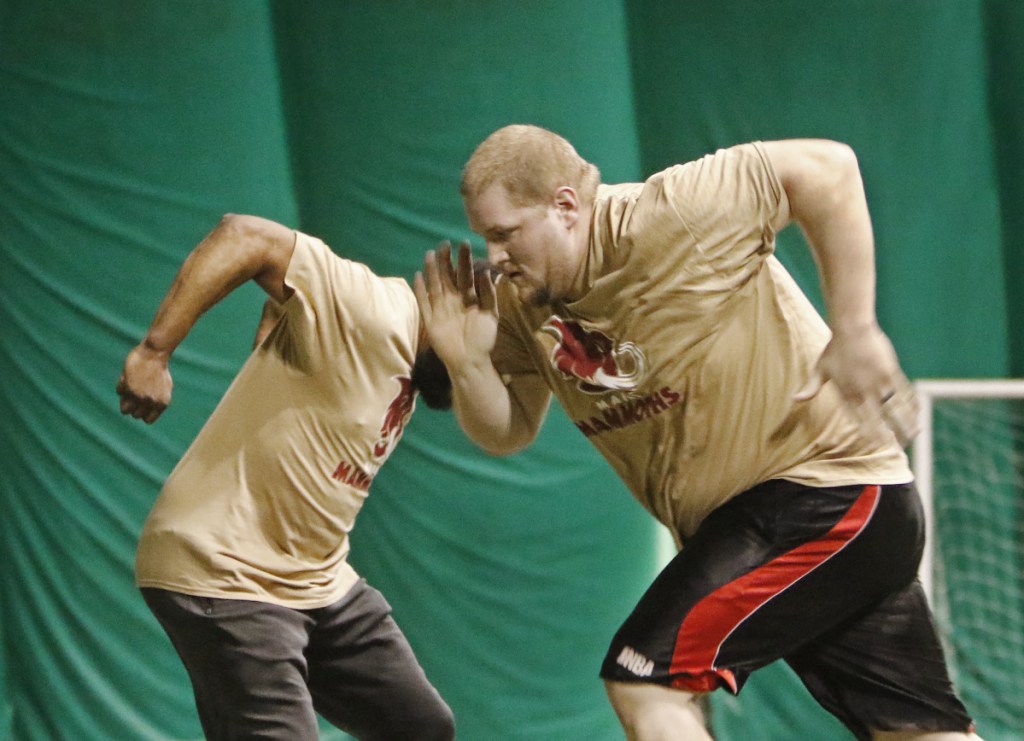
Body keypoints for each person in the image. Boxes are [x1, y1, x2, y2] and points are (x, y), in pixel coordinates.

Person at [415, 124, 979, 740]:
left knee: (644, 679)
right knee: (918, 731)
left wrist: (856, 329)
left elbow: (828, 168)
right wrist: (468, 363)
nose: (493, 255)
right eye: (484, 238)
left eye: (504, 234)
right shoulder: (525, 304)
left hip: (821, 494)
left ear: (565, 206)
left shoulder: (672, 213)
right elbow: (509, 431)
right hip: (793, 527)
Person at [117, 214, 455, 741]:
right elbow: (246, 235)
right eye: (494, 358)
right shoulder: (377, 310)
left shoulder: (407, 362)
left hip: (316, 580)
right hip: (225, 572)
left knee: (419, 727)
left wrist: (281, 322)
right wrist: (155, 351)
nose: (490, 376)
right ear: (456, 310)